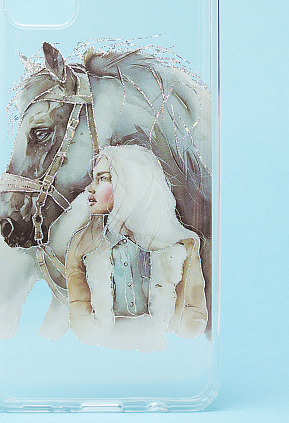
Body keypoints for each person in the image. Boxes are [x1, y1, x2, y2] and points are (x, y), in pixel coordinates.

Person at [65, 145, 207, 352]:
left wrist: (173, 344)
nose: (90, 188)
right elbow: (78, 307)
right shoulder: (81, 245)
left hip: (163, 352)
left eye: (103, 179)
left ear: (132, 182)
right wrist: (96, 343)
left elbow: (193, 310)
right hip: (104, 352)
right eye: (94, 178)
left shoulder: (182, 245)